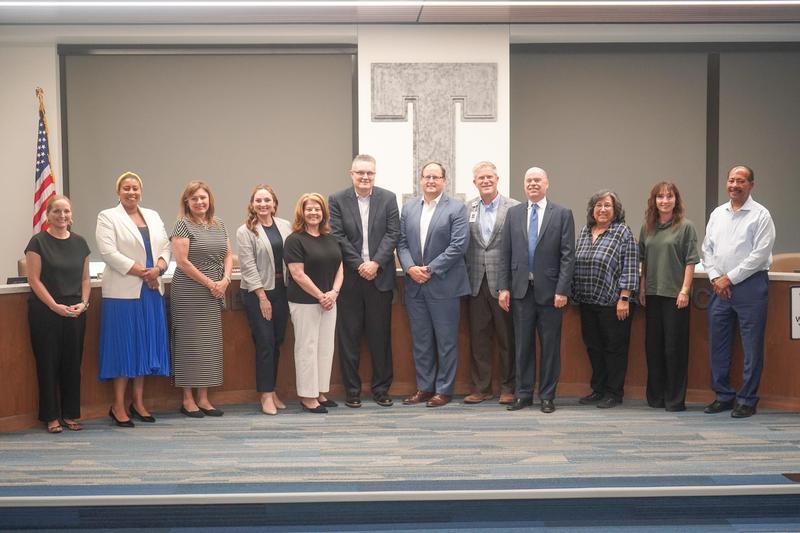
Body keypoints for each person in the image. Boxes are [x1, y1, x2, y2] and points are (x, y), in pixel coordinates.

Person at [96, 171, 171, 428]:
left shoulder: (153, 215)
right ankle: (118, 405)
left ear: (141, 191)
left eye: (135, 188)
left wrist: (158, 269)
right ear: (118, 192)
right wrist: (144, 272)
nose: (131, 192)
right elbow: (108, 252)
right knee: (124, 348)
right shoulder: (108, 216)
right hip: (123, 293)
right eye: (126, 188)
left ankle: (138, 402)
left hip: (151, 290)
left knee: (145, 347)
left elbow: (166, 247)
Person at [498, 167, 575, 413]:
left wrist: (562, 290)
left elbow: (567, 256)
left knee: (550, 346)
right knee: (523, 345)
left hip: (552, 293)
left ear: (546, 184)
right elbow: (505, 253)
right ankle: (523, 394)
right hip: (521, 291)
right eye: (529, 180)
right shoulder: (514, 214)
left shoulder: (562, 214)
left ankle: (547, 396)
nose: (533, 184)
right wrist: (503, 287)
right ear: (524, 185)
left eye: (537, 180)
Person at [701, 165, 776, 418]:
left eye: (741, 181)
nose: (735, 185)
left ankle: (747, 399)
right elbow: (707, 249)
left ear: (751, 185)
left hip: (750, 286)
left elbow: (759, 255)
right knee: (718, 344)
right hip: (719, 287)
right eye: (731, 180)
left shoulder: (761, 215)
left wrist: (729, 278)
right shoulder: (717, 214)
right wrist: (715, 277)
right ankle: (723, 395)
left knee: (751, 347)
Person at [328, 155, 400, 408]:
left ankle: (381, 389)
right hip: (350, 280)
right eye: (360, 173)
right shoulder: (337, 199)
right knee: (349, 338)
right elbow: (338, 236)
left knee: (381, 338)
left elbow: (393, 234)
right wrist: (360, 264)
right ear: (352, 174)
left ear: (375, 174)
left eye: (369, 173)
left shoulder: (388, 198)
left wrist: (375, 263)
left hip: (380, 278)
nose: (365, 177)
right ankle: (352, 390)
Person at [397, 161, 470, 408]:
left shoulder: (457, 208)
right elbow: (401, 243)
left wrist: (429, 269)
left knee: (446, 341)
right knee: (421, 341)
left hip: (444, 285)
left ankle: (444, 390)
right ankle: (424, 388)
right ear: (420, 179)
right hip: (415, 286)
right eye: (427, 177)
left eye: (435, 177)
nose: (430, 181)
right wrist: (410, 268)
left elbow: (458, 246)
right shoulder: (409, 208)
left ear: (444, 181)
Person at [25, 195, 91, 433]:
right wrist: (54, 306)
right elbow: (34, 279)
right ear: (48, 215)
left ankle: (71, 414)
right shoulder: (37, 242)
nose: (62, 216)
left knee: (73, 364)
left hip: (75, 311)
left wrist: (83, 303)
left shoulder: (81, 243)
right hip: (45, 311)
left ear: (71, 215)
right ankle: (51, 416)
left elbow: (85, 279)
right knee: (48, 363)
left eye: (66, 211)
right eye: (57, 212)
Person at [170, 181, 233, 418]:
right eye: (194, 198)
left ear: (210, 200)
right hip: (189, 291)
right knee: (189, 344)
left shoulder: (219, 224)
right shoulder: (182, 225)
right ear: (187, 202)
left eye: (203, 198)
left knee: (208, 345)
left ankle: (204, 398)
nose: (199, 202)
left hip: (215, 291)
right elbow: (182, 262)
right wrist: (210, 283)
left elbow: (228, 254)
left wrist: (225, 280)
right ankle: (187, 399)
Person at [573, 190, 639, 409]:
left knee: (614, 349)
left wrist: (624, 298)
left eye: (607, 205)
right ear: (592, 210)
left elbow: (630, 266)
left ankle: (614, 392)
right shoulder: (585, 231)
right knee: (594, 347)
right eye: (598, 205)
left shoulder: (622, 232)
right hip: (587, 300)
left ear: (615, 210)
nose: (602, 209)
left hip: (614, 302)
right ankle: (598, 389)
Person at [638, 181, 699, 412]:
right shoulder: (647, 228)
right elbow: (642, 261)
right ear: (654, 201)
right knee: (653, 348)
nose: (665, 201)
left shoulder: (686, 227)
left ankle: (674, 400)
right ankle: (656, 398)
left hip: (675, 296)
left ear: (676, 200)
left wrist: (685, 290)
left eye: (669, 196)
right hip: (652, 294)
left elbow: (691, 261)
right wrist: (642, 288)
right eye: (660, 197)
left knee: (674, 350)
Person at [463, 161, 519, 406]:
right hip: (475, 282)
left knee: (507, 338)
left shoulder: (514, 207)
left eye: (490, 177)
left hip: (504, 283)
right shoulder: (467, 208)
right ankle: (481, 388)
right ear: (474, 182)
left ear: (497, 180)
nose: (485, 181)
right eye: (481, 178)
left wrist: (509, 283)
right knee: (479, 338)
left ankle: (508, 388)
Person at [284, 193, 344, 414]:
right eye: (309, 209)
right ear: (301, 212)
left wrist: (334, 293)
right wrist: (321, 296)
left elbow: (340, 267)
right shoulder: (294, 240)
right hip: (305, 303)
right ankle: (308, 397)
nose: (313, 213)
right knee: (307, 349)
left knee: (325, 348)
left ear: (323, 213)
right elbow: (297, 274)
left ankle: (319, 392)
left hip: (330, 301)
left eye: (317, 209)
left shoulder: (331, 238)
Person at [236, 184, 292, 415]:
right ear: (252, 204)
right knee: (265, 343)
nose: (263, 204)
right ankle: (265, 395)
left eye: (267, 200)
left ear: (274, 203)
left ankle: (272, 390)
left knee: (277, 341)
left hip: (282, 291)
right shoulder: (245, 231)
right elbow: (248, 266)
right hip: (258, 293)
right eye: (258, 200)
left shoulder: (285, 225)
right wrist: (262, 297)